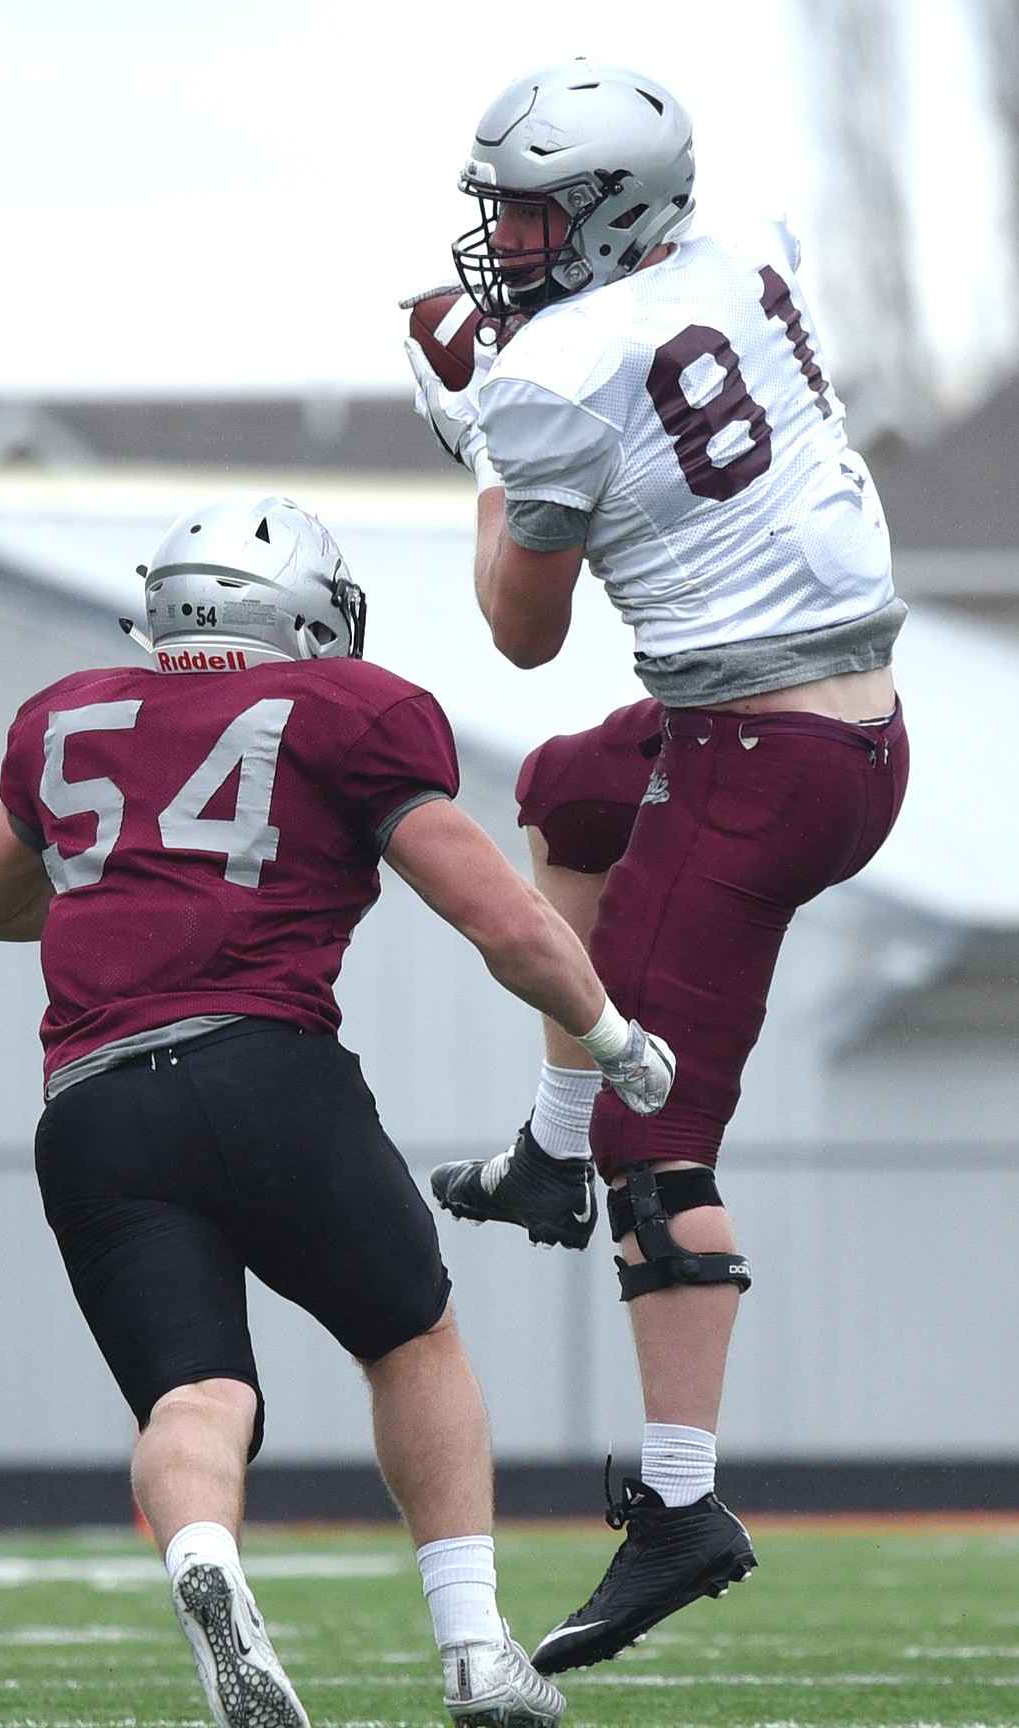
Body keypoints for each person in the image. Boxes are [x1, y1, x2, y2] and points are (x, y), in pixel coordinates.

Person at [0, 493, 677, 1728]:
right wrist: (614, 1039)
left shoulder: (71, 714)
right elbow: (501, 920)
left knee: (197, 1396)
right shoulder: (347, 707)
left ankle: (206, 1563)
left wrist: (128, 885)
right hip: (265, 1073)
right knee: (412, 1339)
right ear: (303, 613)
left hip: (94, 1107)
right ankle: (475, 1650)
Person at [404, 58, 910, 1675]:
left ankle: (682, 1500)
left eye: (538, 209)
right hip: (834, 721)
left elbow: (524, 629)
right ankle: (546, 1152)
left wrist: (481, 446)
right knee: (567, 793)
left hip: (767, 759)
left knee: (662, 1126)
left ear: (615, 209)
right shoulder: (744, 234)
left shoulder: (549, 369)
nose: (509, 237)